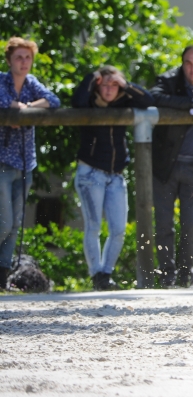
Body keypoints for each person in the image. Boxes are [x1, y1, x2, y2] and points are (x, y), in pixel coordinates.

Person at [72, 65, 154, 291]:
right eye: (105, 84)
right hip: (91, 173)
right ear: (98, 86)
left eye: (114, 84)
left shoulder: (124, 100)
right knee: (93, 226)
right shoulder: (89, 101)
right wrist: (93, 76)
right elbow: (77, 101)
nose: (109, 89)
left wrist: (126, 84)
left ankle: (106, 275)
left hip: (116, 176)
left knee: (118, 229)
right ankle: (96, 274)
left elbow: (148, 100)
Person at [150, 45, 193, 288]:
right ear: (182, 64)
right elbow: (153, 96)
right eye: (189, 63)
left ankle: (186, 275)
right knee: (163, 224)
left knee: (190, 225)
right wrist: (192, 103)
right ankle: (166, 276)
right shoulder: (169, 80)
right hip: (165, 165)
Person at [0, 38, 60, 290]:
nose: (24, 62)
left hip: (26, 162)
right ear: (9, 60)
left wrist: (26, 109)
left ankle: (2, 273)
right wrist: (18, 111)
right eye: (19, 57)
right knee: (4, 222)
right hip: (2, 161)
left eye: (28, 58)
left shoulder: (31, 82)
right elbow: (4, 102)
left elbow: (53, 100)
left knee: (16, 223)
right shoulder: (1, 81)